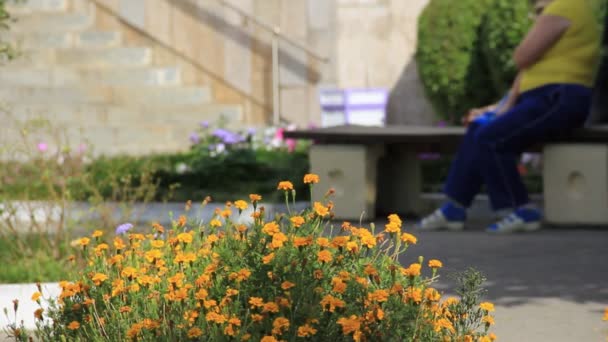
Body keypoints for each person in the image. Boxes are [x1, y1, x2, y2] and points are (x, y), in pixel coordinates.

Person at [418, 0, 602, 233]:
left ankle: (519, 209)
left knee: (491, 139)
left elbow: (522, 57)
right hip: (542, 99)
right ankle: (453, 208)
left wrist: (538, 23)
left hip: (558, 98)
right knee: (478, 128)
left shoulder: (566, 6)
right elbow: (527, 70)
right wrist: (499, 108)